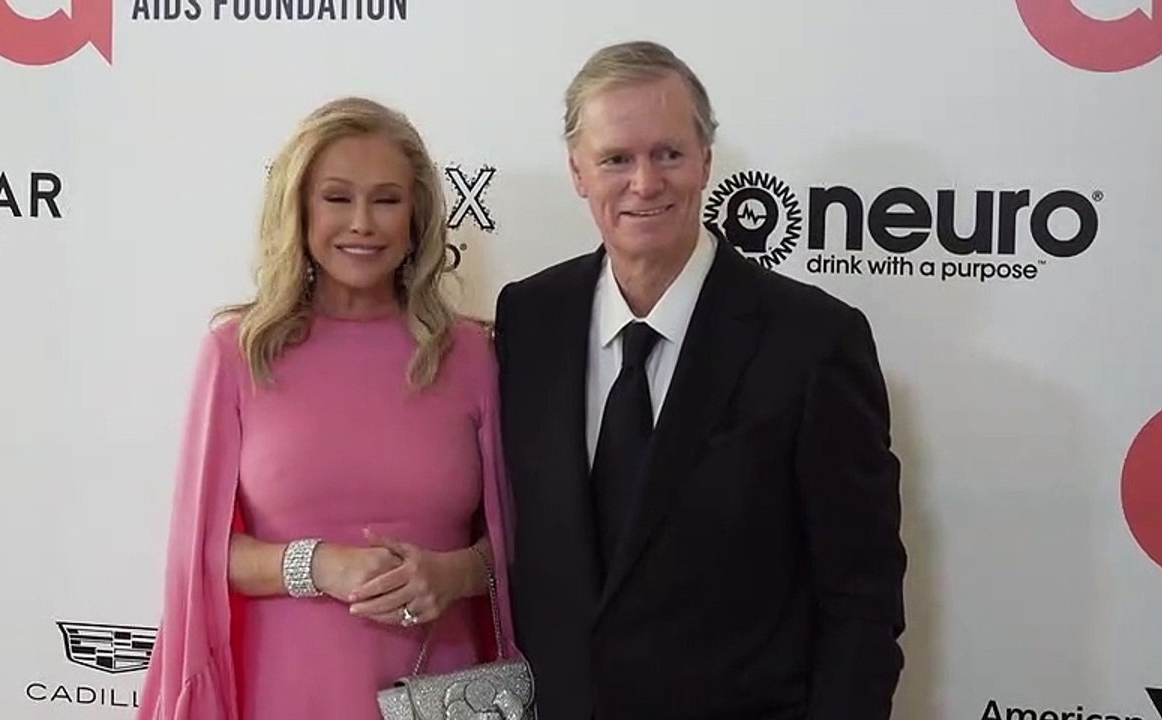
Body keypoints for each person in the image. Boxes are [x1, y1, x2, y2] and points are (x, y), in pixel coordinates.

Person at [493, 41, 906, 720]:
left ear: (706, 161)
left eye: (669, 154)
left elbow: (860, 597)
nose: (645, 183)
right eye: (617, 159)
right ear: (577, 171)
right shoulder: (529, 318)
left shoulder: (812, 341)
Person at [137, 97, 518, 720]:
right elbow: (199, 552)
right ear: (300, 210)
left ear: (417, 215)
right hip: (281, 691)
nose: (362, 223)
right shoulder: (238, 352)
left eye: (387, 200)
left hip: (441, 690)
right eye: (337, 198)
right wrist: (315, 565)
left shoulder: (472, 353)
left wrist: (451, 576)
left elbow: (519, 546)